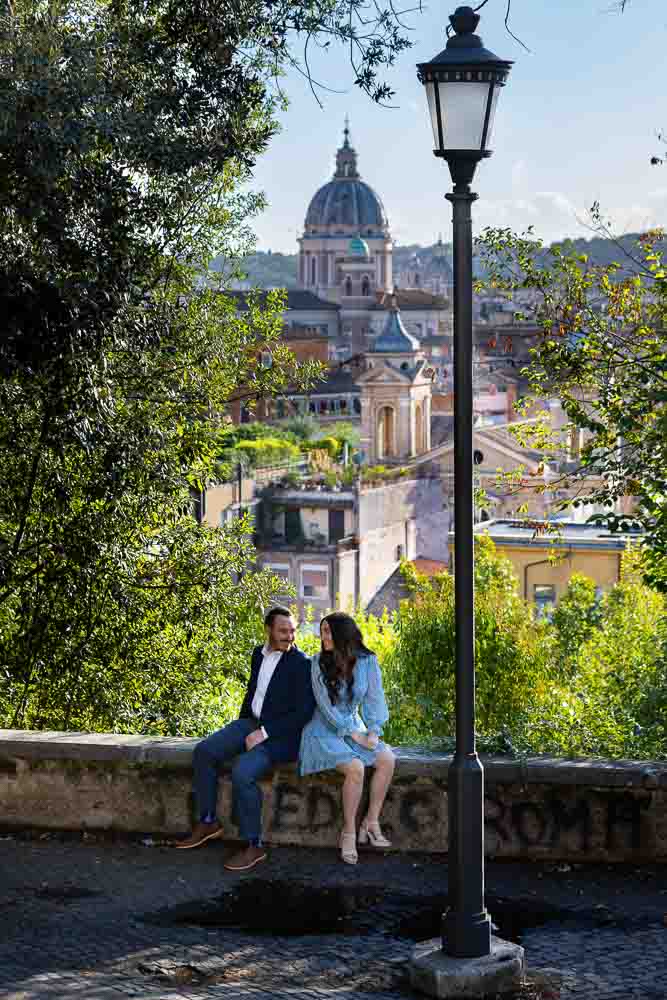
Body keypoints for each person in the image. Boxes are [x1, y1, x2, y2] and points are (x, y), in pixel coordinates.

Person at [176, 606, 314, 871]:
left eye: (292, 630)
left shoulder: (301, 664)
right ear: (269, 631)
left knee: (242, 772)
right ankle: (208, 822)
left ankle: (254, 845)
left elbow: (303, 713)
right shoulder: (257, 654)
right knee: (204, 751)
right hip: (250, 722)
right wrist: (241, 727)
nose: (289, 636)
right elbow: (252, 693)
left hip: (281, 736)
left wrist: (263, 733)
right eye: (283, 631)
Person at [299, 612, 396, 865]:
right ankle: (349, 833)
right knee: (355, 769)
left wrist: (373, 732)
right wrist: (358, 736)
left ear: (343, 633)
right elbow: (326, 708)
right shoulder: (317, 662)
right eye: (322, 632)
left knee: (387, 758)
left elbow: (375, 699)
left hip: (354, 726)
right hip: (323, 730)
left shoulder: (367, 661)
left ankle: (371, 822)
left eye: (328, 631)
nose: (324, 637)